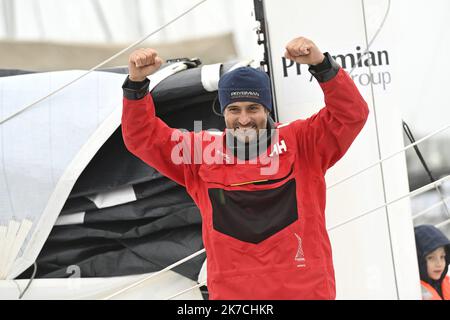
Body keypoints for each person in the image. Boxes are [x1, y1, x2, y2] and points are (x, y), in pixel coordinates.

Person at [121, 36, 369, 299]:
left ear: (267, 109)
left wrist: (322, 66)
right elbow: (142, 137)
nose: (244, 119)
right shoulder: (199, 154)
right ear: (223, 112)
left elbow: (351, 115)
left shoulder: (303, 142)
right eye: (234, 109)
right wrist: (136, 85)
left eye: (253, 108)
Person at [414, 224, 450, 300]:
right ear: (419, 260)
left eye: (442, 257)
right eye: (430, 258)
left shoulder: (448, 282)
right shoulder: (415, 292)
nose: (439, 264)